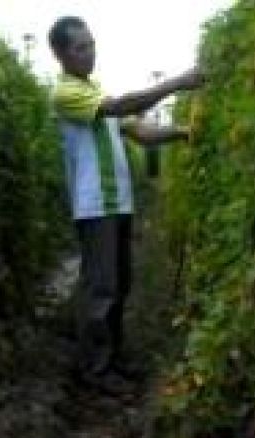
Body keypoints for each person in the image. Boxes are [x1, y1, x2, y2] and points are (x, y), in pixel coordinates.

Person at [48, 15, 204, 395]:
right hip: (95, 206)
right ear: (61, 55)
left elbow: (141, 132)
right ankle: (95, 372)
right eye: (80, 47)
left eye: (91, 44)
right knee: (101, 289)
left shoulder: (95, 92)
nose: (89, 52)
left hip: (117, 204)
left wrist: (183, 133)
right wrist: (179, 82)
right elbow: (124, 106)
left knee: (119, 286)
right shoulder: (67, 93)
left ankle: (111, 361)